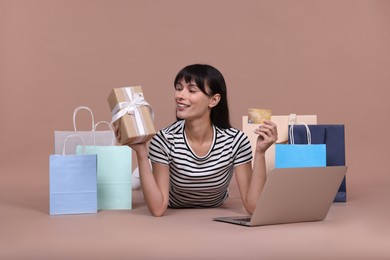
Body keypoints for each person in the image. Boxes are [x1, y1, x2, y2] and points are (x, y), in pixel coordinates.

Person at [115, 64, 278, 217]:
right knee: (142, 177)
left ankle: (145, 170)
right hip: (171, 197)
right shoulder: (163, 139)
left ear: (214, 100)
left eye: (191, 90)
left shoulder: (236, 140)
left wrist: (260, 152)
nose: (180, 95)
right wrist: (142, 154)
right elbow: (158, 209)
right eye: (178, 89)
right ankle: (143, 171)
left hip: (214, 201)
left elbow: (253, 206)